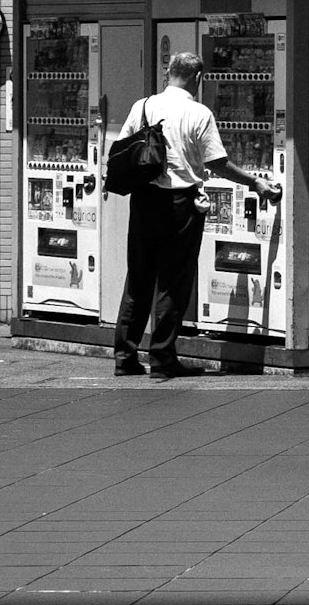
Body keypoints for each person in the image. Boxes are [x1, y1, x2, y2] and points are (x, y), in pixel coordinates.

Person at [114, 48, 276, 378]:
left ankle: (124, 357)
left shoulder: (142, 106)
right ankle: (162, 359)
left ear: (168, 73)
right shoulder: (198, 113)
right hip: (180, 205)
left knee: (138, 278)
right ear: (198, 78)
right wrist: (254, 182)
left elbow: (122, 149)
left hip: (144, 201)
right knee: (173, 282)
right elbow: (216, 163)